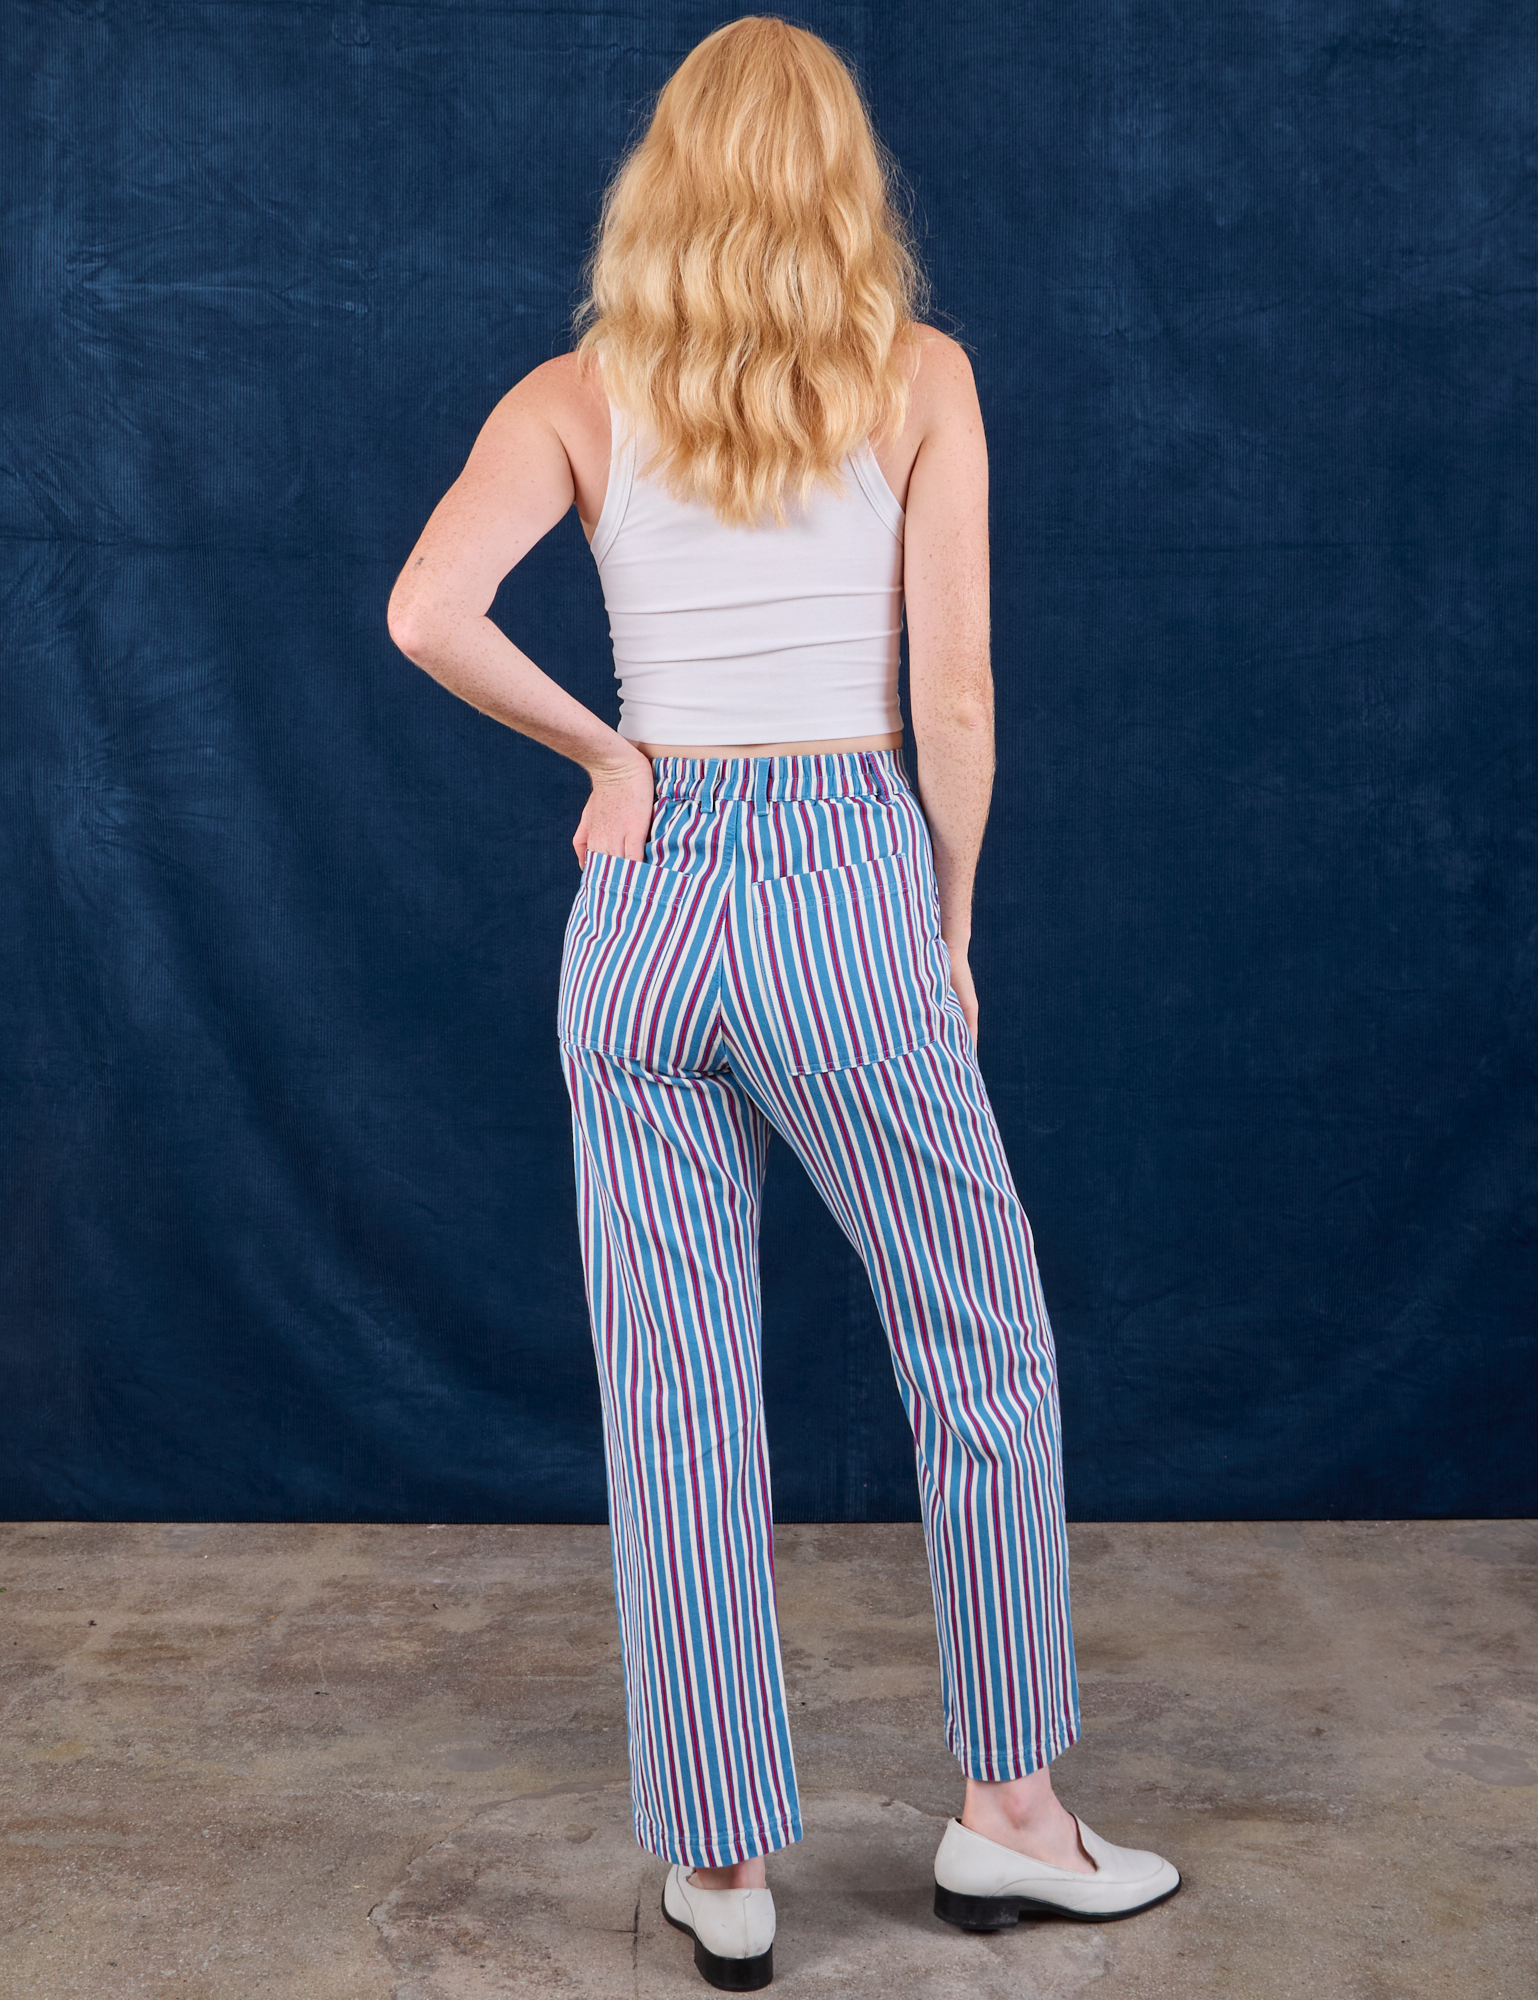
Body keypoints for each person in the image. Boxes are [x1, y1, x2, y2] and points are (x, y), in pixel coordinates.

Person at [387, 15, 1178, 1990]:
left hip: (642, 907)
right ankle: (1006, 1817)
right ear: (844, 180)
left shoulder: (575, 393)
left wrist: (604, 759)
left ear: (665, 179)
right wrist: (950, 914)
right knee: (975, 1334)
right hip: (838, 865)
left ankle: (722, 1860)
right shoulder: (920, 379)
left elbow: (424, 611)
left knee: (672, 1391)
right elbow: (963, 686)